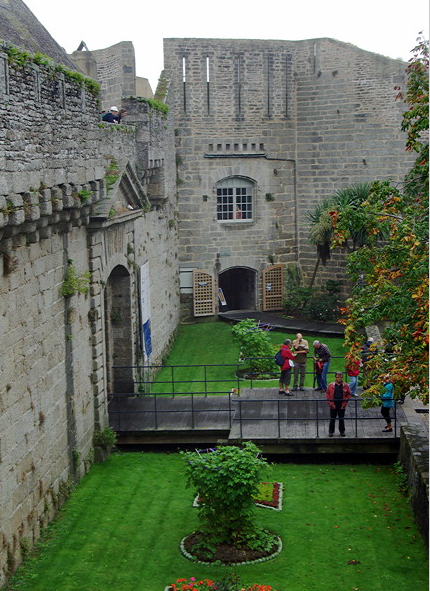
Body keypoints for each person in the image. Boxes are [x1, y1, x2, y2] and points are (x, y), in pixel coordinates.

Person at [326, 371, 351, 437]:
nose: (339, 378)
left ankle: (342, 431)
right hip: (333, 404)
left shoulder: (345, 385)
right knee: (332, 419)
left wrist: (345, 402)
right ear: (335, 377)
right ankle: (331, 432)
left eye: (340, 377)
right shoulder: (331, 385)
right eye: (338, 377)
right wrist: (330, 403)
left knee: (341, 419)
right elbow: (327, 394)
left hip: (341, 404)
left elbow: (348, 394)